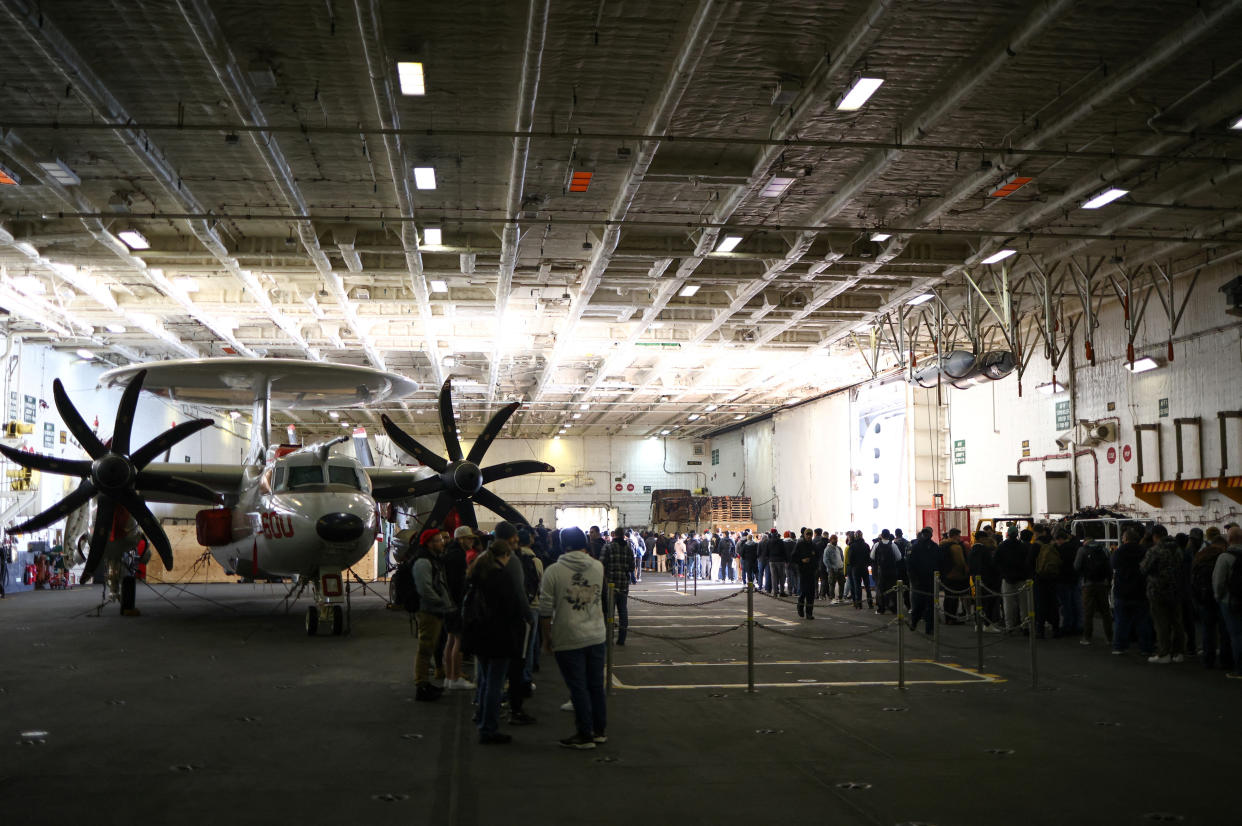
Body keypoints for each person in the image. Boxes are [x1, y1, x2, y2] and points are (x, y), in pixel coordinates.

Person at [539, 527, 607, 749]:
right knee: (596, 685)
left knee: (577, 686)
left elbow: (546, 610)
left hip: (568, 634)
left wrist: (546, 638)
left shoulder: (553, 571)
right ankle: (599, 731)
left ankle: (584, 734)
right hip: (596, 633)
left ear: (562, 544)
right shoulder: (597, 566)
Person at [462, 533, 527, 745]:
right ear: (506, 555)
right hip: (498, 636)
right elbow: (512, 609)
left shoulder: (478, 572)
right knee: (494, 684)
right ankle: (488, 728)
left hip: (479, 635)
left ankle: (481, 718)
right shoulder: (501, 576)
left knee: (484, 680)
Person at [412, 529, 454, 701]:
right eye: (437, 540)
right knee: (425, 649)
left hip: (434, 610)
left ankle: (424, 684)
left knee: (428, 648)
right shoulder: (423, 562)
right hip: (429, 611)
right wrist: (441, 603)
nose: (442, 543)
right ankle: (421, 686)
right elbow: (425, 589)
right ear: (428, 543)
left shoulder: (432, 559)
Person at [1140, 525, 1186, 664]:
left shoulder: (1155, 550)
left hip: (1157, 590)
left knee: (1161, 623)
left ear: (1155, 536)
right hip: (1176, 589)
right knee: (1177, 622)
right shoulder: (1178, 549)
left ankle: (1164, 653)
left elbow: (1144, 569)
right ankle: (1178, 653)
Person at [440, 526, 476, 690]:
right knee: (459, 641)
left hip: (449, 604)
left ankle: (449, 676)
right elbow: (457, 584)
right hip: (456, 604)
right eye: (469, 538)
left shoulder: (450, 553)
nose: (472, 542)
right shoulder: (458, 556)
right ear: (461, 539)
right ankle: (455, 677)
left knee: (451, 640)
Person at [1192, 532, 1234, 670]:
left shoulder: (1200, 555)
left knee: (1207, 630)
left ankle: (1208, 660)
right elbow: (1222, 579)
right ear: (1223, 545)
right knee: (1224, 631)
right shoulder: (1223, 556)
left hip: (1203, 598)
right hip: (1220, 597)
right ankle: (1225, 660)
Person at [1113, 527, 1155, 656]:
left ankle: (1120, 647)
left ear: (1125, 539)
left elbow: (1113, 566)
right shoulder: (1144, 551)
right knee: (1143, 621)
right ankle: (1146, 648)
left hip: (1122, 591)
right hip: (1140, 590)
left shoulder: (1119, 552)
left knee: (1121, 621)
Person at [1212, 526, 1242, 679]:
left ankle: (1239, 669)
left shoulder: (1224, 557)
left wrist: (1218, 597)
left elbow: (1218, 582)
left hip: (1230, 601)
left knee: (1236, 635)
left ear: (1229, 540)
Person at [1074, 539, 1113, 646]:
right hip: (1102, 584)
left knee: (1088, 611)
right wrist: (1108, 581)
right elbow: (1110, 567)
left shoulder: (1082, 550)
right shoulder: (1104, 549)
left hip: (1087, 584)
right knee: (1105, 612)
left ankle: (1087, 637)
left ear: (1085, 542)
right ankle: (1109, 637)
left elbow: (1076, 566)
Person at [994, 527, 1031, 633]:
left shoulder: (1002, 546)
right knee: (1024, 604)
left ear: (1008, 534)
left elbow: (996, 561)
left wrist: (1002, 572)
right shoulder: (1023, 546)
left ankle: (1009, 626)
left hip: (1007, 579)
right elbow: (1028, 562)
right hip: (1022, 579)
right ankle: (1025, 626)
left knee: (1008, 604)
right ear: (1017, 534)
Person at [603, 527, 634, 646]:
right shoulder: (628, 549)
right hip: (623, 585)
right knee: (623, 612)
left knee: (609, 613)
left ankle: (608, 638)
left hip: (610, 586)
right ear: (623, 535)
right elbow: (632, 567)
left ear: (614, 534)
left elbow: (601, 563)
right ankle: (622, 639)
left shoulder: (608, 547)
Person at [907, 527, 939, 634]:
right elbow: (910, 565)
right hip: (919, 582)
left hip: (931, 581)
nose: (926, 535)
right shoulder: (916, 547)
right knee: (918, 605)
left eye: (928, 533)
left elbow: (939, 563)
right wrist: (913, 579)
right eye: (924, 533)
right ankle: (914, 622)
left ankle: (929, 628)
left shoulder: (934, 547)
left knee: (931, 606)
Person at [939, 529, 969, 623]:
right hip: (955, 575)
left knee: (948, 597)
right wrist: (965, 571)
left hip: (944, 575)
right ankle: (952, 618)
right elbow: (960, 562)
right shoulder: (956, 547)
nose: (960, 538)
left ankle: (948, 617)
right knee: (954, 598)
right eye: (959, 536)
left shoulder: (942, 545)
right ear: (955, 536)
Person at [791, 529, 819, 619]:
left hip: (811, 572)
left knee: (811, 593)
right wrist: (801, 560)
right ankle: (800, 608)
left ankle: (809, 613)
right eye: (807, 534)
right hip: (803, 571)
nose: (809, 536)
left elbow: (818, 557)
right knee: (803, 591)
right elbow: (793, 557)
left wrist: (814, 565)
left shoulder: (814, 545)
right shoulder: (799, 544)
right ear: (804, 535)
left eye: (810, 535)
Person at [873, 529, 900, 614]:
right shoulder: (893, 545)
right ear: (889, 535)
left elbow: (872, 556)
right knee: (892, 589)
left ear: (881, 536)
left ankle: (881, 609)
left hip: (881, 571)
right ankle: (894, 608)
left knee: (881, 589)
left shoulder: (877, 544)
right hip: (892, 571)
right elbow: (899, 557)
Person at [848, 530, 873, 609]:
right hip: (864, 568)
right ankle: (870, 604)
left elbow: (850, 559)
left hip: (855, 568)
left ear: (855, 536)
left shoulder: (852, 546)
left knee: (857, 586)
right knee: (867, 586)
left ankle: (859, 604)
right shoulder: (866, 545)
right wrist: (867, 564)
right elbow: (869, 558)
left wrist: (853, 565)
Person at [823, 534, 845, 603]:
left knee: (842, 583)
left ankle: (841, 597)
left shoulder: (839, 548)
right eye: (834, 539)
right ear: (830, 540)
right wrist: (831, 567)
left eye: (836, 539)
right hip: (832, 570)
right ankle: (832, 598)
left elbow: (842, 557)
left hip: (840, 568)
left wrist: (842, 565)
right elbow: (825, 560)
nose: (836, 540)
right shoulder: (828, 549)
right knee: (832, 584)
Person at [768, 529, 789, 597]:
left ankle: (775, 592)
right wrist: (786, 560)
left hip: (772, 561)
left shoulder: (769, 541)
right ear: (777, 533)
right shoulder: (780, 541)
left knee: (774, 577)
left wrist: (769, 558)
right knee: (781, 577)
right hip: (780, 561)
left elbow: (766, 552)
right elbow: (784, 551)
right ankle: (782, 591)